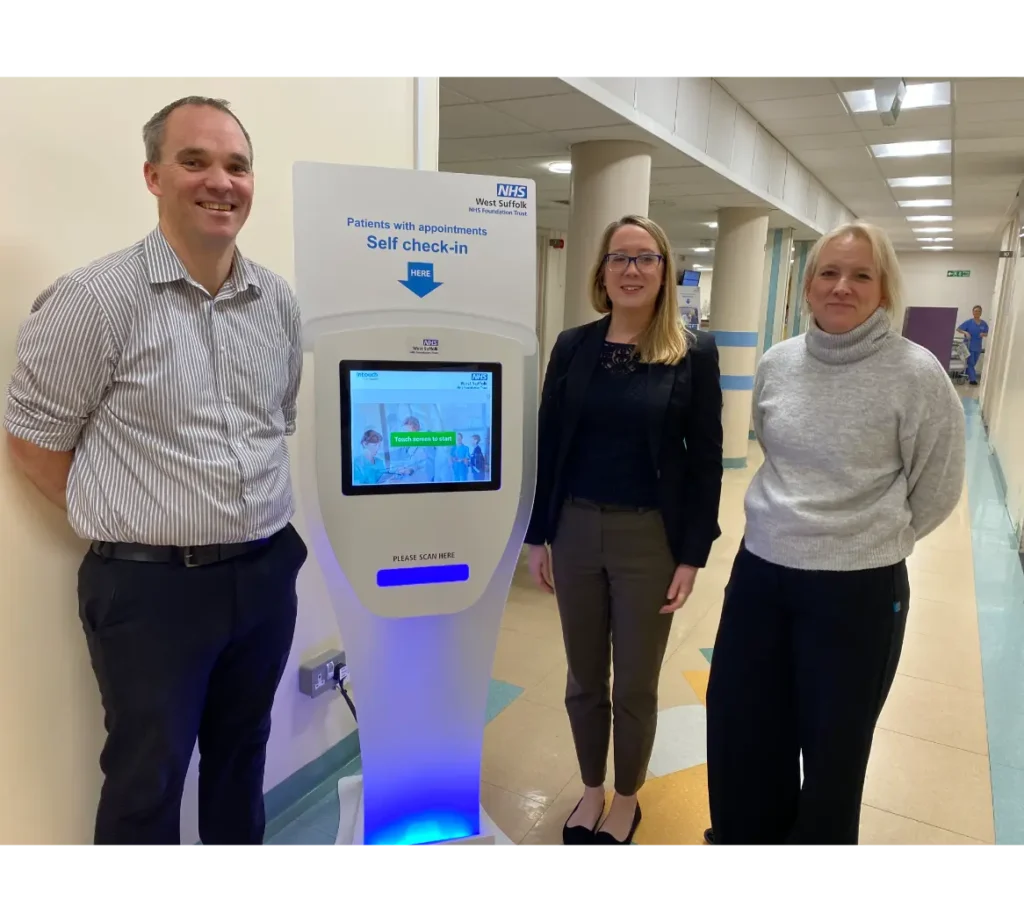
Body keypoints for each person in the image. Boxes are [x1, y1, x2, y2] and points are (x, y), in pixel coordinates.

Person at [4, 96, 307, 848]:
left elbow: (278, 422)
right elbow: (32, 438)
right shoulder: (94, 300)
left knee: (242, 761)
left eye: (236, 165)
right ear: (153, 175)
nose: (221, 182)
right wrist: (129, 518)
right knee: (147, 780)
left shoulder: (278, 302)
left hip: (265, 573)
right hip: (151, 592)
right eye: (195, 161)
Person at [704, 221, 966, 849]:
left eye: (861, 275)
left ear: (884, 290)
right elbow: (776, 454)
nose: (842, 286)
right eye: (829, 272)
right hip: (763, 571)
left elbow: (938, 486)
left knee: (834, 747)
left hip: (859, 590)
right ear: (807, 285)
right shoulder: (778, 363)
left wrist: (866, 538)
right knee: (744, 727)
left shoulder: (916, 374)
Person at [525, 214, 724, 848]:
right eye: (620, 258)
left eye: (645, 259)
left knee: (634, 681)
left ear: (665, 272)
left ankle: (627, 798)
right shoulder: (573, 346)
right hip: (577, 530)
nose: (632, 270)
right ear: (602, 272)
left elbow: (706, 460)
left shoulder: (692, 352)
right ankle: (590, 789)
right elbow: (549, 444)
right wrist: (539, 535)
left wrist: (692, 554)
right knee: (584, 678)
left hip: (651, 542)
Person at [957, 304, 989, 386]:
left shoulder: (983, 324)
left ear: (981, 313)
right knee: (970, 363)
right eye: (975, 311)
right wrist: (966, 332)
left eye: (979, 311)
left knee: (973, 363)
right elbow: (958, 329)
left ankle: (964, 373)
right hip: (968, 346)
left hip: (977, 347)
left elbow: (988, 333)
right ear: (973, 312)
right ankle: (973, 380)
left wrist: (984, 334)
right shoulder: (969, 322)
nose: (977, 312)